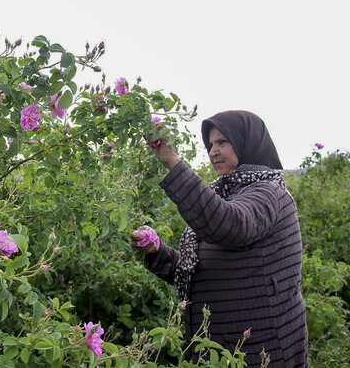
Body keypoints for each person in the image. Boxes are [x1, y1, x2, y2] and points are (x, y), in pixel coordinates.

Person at [132, 110, 308, 368]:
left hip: (263, 350)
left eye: (223, 142)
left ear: (247, 143)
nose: (213, 151)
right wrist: (156, 252)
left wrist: (173, 163)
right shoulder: (228, 194)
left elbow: (230, 225)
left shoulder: (269, 193)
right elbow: (200, 271)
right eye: (211, 144)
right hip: (221, 350)